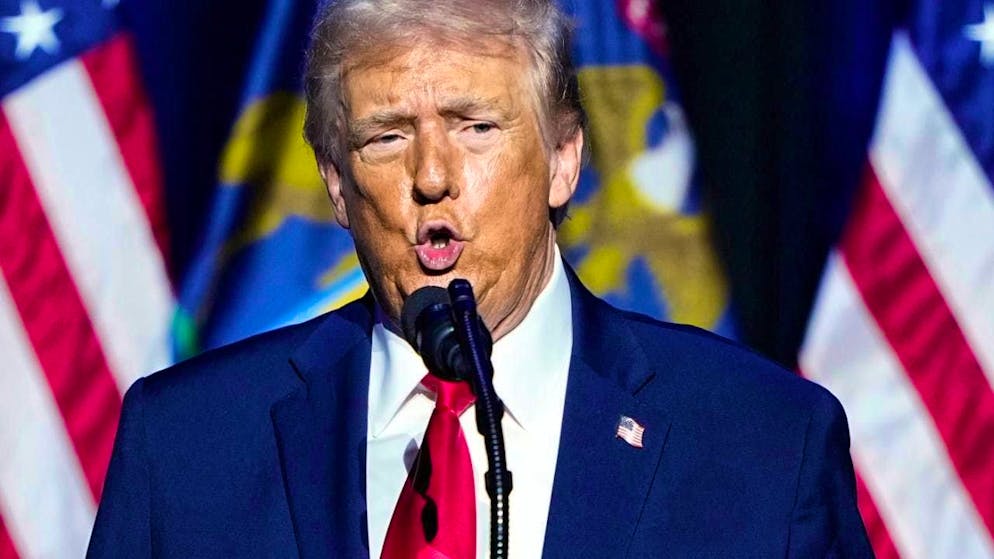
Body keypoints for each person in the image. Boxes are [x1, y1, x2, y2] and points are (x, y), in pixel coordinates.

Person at [88, 0, 873, 557]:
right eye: (387, 136)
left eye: (476, 127)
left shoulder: (764, 446)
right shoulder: (187, 449)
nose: (433, 175)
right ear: (334, 180)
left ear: (565, 157)